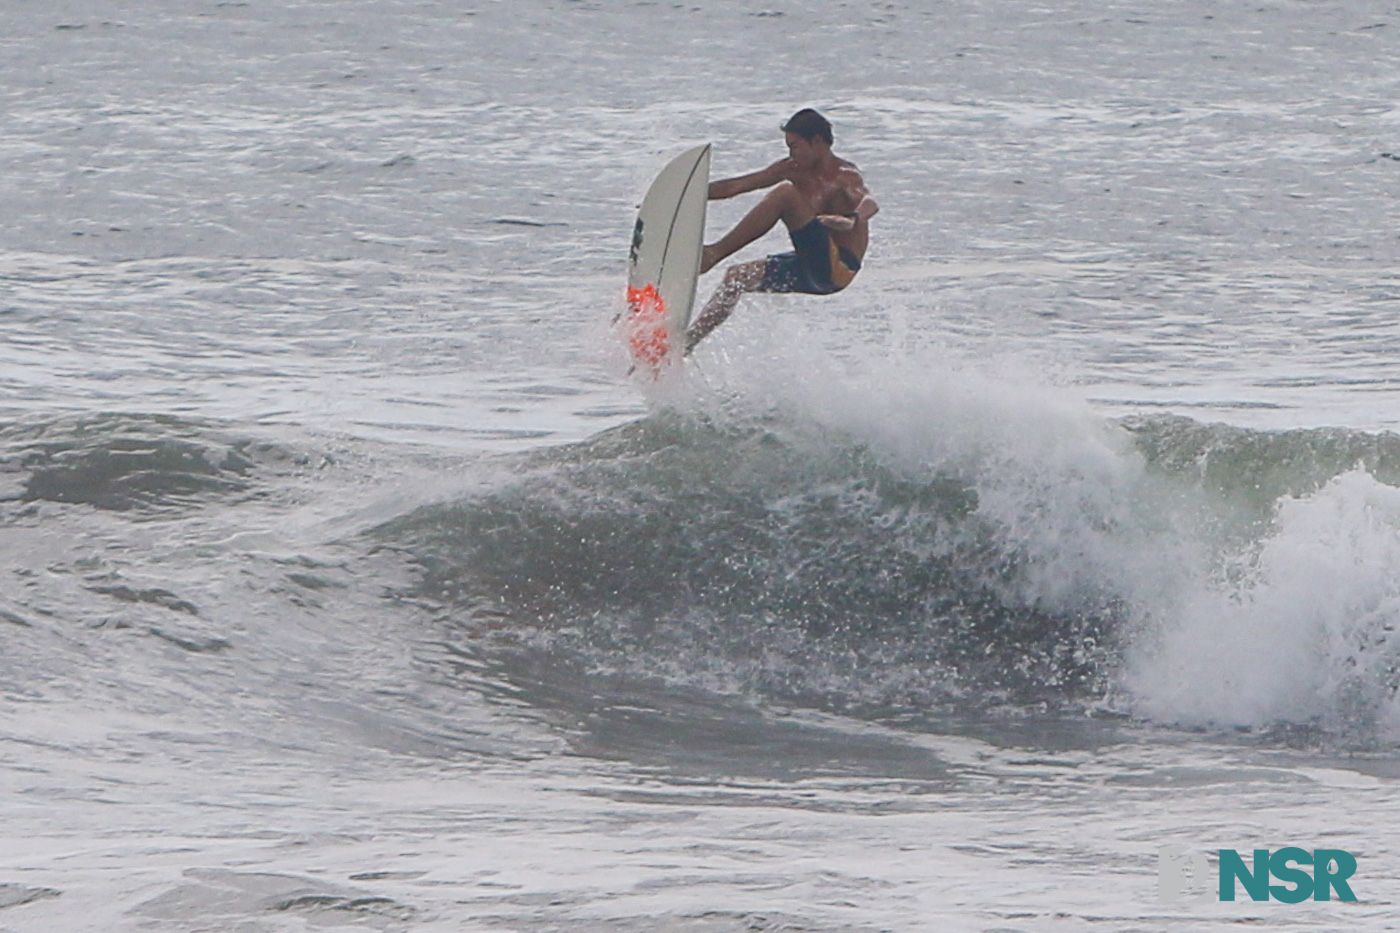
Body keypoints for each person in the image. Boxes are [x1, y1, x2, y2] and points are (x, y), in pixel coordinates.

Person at [684, 108, 879, 353]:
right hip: (809, 266)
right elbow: (737, 185)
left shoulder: (845, 176)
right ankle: (687, 343)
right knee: (736, 277)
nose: (791, 154)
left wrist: (852, 220)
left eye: (795, 146)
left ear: (817, 141)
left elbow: (870, 202)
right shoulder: (792, 169)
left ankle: (712, 255)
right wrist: (686, 196)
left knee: (785, 194)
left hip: (839, 267)